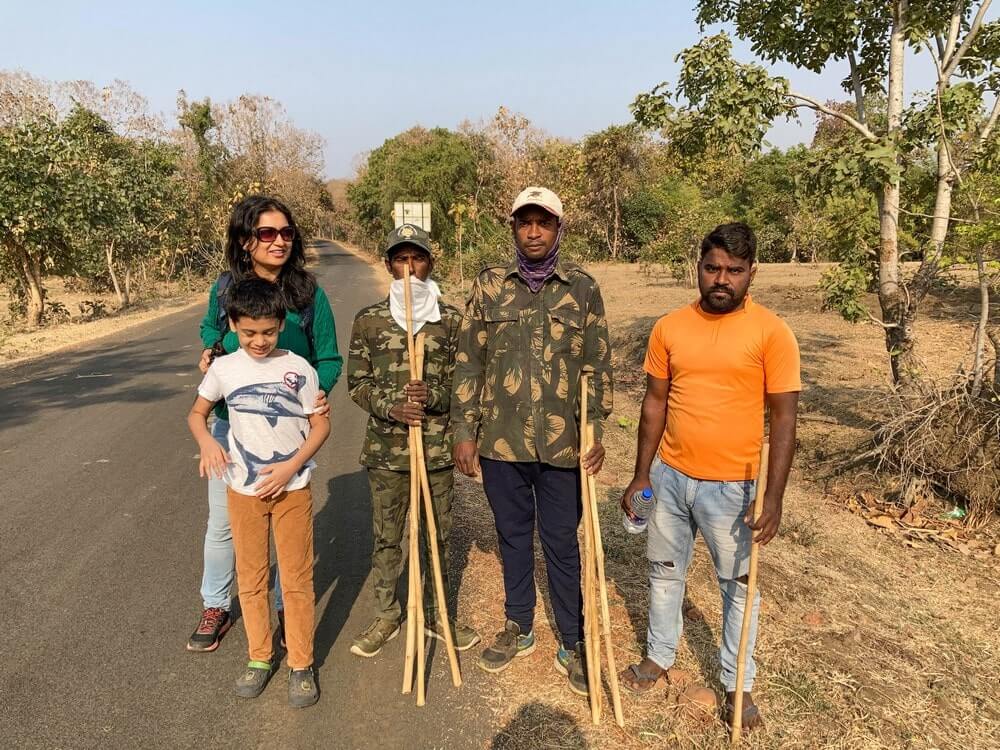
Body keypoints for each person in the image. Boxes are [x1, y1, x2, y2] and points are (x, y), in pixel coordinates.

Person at [618, 222, 800, 731]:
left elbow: (784, 420)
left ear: (752, 273)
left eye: (734, 271)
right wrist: (640, 476)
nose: (722, 280)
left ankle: (738, 685)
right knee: (664, 572)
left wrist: (775, 497)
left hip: (736, 488)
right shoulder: (669, 328)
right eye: (713, 268)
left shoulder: (772, 333)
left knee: (739, 586)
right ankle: (659, 655)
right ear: (698, 267)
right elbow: (654, 403)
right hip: (671, 478)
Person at [451, 187, 613, 697]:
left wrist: (595, 431)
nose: (534, 231)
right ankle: (519, 623)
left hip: (564, 446)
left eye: (544, 222)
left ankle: (573, 639)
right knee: (513, 536)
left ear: (559, 229)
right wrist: (463, 431)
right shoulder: (489, 286)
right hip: (501, 444)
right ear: (514, 228)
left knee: (562, 542)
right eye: (525, 222)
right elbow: (468, 361)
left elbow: (597, 367)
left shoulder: (583, 289)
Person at [187, 195, 342, 653]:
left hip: (288, 433)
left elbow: (328, 357)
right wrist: (211, 351)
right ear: (245, 240)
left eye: (287, 232)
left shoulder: (309, 294)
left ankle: (282, 604)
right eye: (267, 233)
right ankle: (216, 604)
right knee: (225, 523)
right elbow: (210, 333)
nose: (279, 241)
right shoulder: (225, 289)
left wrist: (315, 395)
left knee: (286, 531)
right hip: (232, 430)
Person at [188, 277, 330, 707]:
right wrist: (208, 443)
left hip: (293, 490)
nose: (260, 340)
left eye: (268, 331)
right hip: (243, 491)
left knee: (297, 579)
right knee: (251, 580)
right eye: (249, 332)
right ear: (231, 324)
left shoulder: (299, 369)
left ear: (281, 323)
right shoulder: (224, 368)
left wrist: (292, 465)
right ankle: (259, 657)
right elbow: (198, 414)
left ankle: (301, 663)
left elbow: (321, 423)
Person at [346, 223, 479, 657]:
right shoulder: (369, 320)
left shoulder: (451, 320)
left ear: (429, 263)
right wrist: (392, 407)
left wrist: (435, 396)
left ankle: (438, 614)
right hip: (387, 453)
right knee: (387, 537)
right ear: (388, 266)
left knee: (436, 536)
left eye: (416, 258)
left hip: (437, 450)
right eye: (400, 260)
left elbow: (466, 385)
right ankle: (387, 614)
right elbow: (356, 383)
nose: (409, 268)